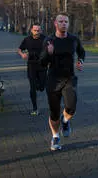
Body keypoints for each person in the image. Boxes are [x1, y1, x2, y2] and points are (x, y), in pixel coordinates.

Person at [40, 13, 85, 151]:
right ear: (55, 23)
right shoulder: (49, 41)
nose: (64, 24)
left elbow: (81, 52)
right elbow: (42, 63)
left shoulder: (74, 39)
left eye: (66, 21)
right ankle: (55, 137)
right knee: (54, 112)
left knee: (71, 107)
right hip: (53, 80)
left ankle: (65, 121)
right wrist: (49, 53)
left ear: (68, 24)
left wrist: (80, 61)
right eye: (61, 21)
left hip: (69, 78)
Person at [18, 23, 47, 116]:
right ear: (31, 30)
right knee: (32, 88)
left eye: (38, 30)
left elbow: (51, 50)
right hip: (31, 66)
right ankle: (35, 108)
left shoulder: (45, 39)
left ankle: (39, 85)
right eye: (35, 30)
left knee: (42, 87)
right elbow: (19, 49)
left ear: (41, 31)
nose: (36, 32)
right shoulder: (27, 40)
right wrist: (22, 54)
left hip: (42, 66)